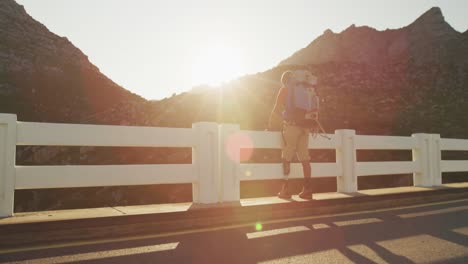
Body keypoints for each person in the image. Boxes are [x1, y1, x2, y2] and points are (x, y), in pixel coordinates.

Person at [268, 69, 318, 199]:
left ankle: (285, 190)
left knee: (287, 156)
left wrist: (270, 125)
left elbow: (277, 107)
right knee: (305, 159)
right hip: (305, 127)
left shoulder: (285, 89)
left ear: (284, 81)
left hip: (291, 126)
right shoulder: (305, 91)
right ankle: (307, 190)